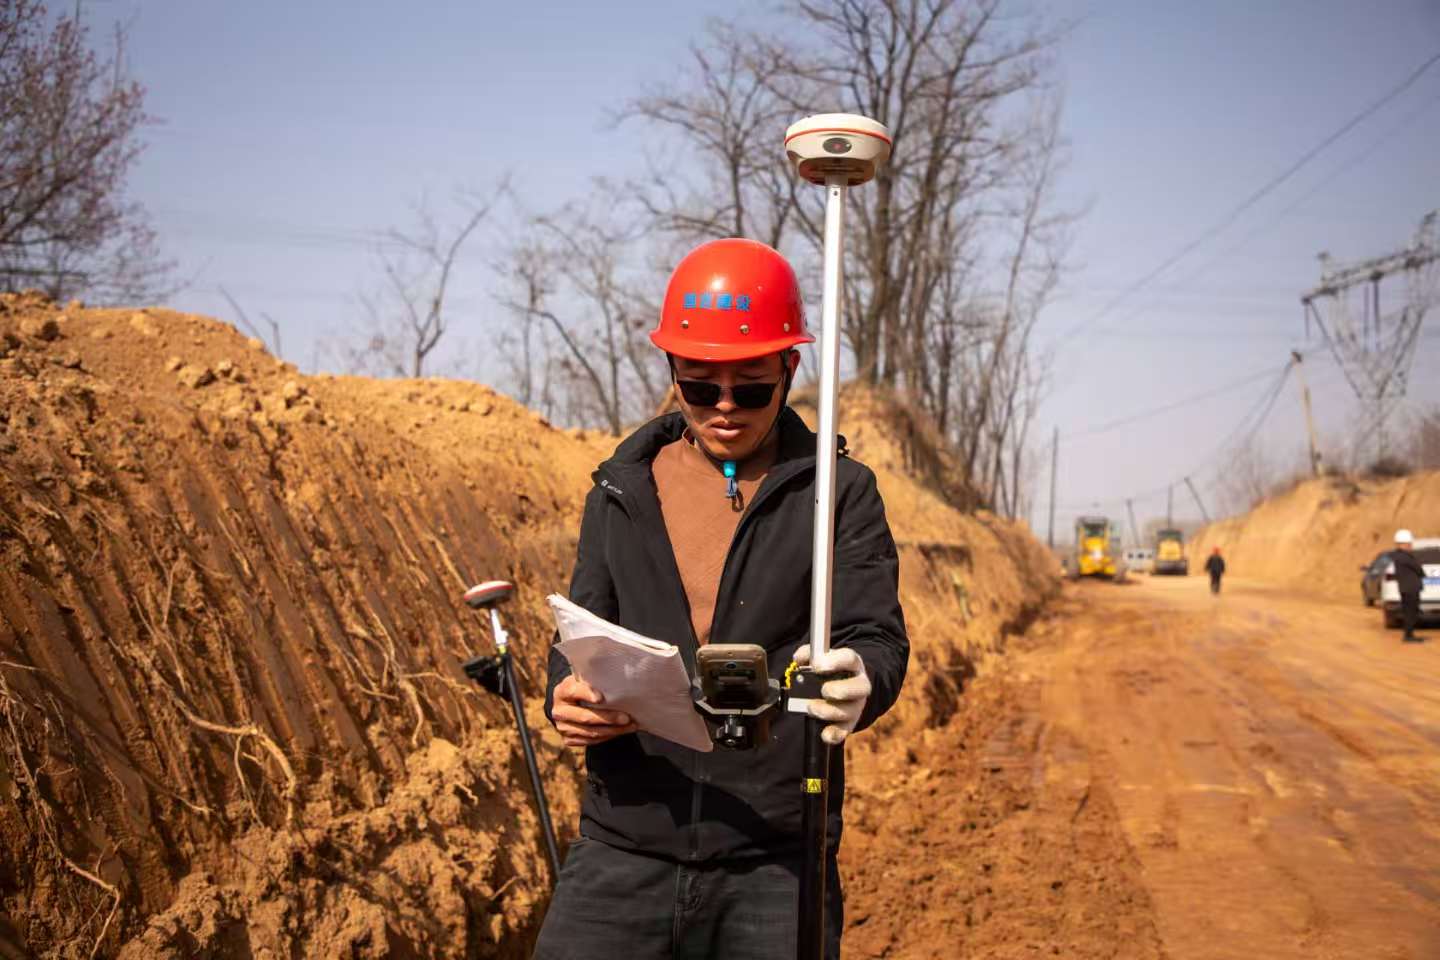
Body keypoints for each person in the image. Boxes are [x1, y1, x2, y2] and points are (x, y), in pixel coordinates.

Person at [534, 238, 909, 960]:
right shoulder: (621, 489)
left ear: (790, 369)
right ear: (672, 372)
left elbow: (877, 637)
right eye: (702, 386)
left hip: (773, 855)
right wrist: (567, 694)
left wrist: (860, 677)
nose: (726, 409)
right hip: (626, 843)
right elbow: (577, 633)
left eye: (752, 387)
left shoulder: (839, 492)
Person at [1392, 529, 1425, 644]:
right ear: (1404, 544)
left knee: (1409, 612)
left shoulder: (1398, 556)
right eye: (1409, 544)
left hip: (1406, 588)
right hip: (1410, 589)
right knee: (1411, 612)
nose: (1411, 546)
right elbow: (1418, 569)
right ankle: (1409, 636)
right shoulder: (1405, 557)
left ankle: (1409, 634)